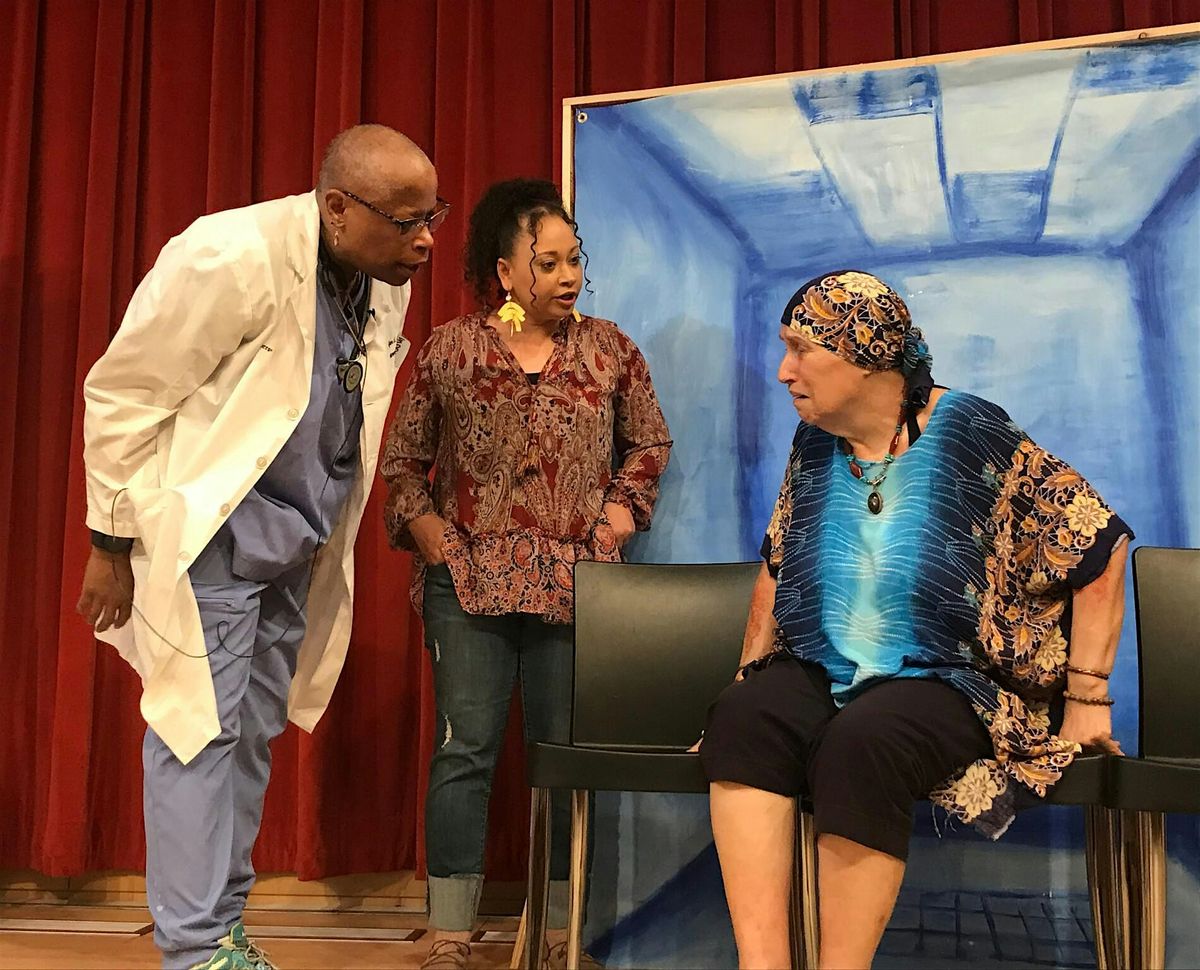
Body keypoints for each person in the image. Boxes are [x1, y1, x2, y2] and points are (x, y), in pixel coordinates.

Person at [76, 124, 444, 970]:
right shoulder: (228, 256)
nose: (426, 241)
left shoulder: (378, 278)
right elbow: (124, 394)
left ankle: (222, 927)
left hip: (296, 543)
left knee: (249, 736)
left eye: (433, 216)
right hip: (211, 537)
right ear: (338, 207)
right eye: (406, 221)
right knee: (196, 732)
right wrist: (109, 540)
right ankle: (194, 949)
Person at [698, 270, 1132, 970]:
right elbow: (778, 562)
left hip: (947, 677)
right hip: (822, 665)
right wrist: (748, 674)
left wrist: (1087, 698)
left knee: (863, 742)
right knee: (743, 718)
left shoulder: (971, 432)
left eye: (802, 349)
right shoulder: (815, 442)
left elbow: (1098, 544)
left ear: (867, 358)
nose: (783, 371)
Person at [381, 178, 672, 970]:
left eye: (575, 259)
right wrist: (430, 533)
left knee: (564, 754)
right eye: (549, 263)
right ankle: (450, 932)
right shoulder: (451, 349)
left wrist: (617, 516)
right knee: (464, 750)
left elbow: (650, 442)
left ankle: (558, 931)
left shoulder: (610, 350)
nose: (568, 275)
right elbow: (402, 460)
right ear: (506, 272)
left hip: (575, 587)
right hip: (466, 584)